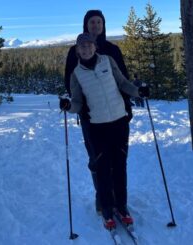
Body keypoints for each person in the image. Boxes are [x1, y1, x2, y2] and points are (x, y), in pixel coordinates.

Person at [60, 33, 149, 230]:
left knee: (119, 166)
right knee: (102, 169)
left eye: (89, 45)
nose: (86, 49)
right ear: (77, 51)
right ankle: (107, 208)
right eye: (82, 47)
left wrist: (138, 91)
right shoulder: (76, 74)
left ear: (95, 47)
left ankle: (121, 206)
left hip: (119, 122)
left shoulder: (107, 61)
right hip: (97, 127)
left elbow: (123, 83)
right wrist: (68, 106)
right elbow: (77, 103)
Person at [64, 10, 133, 214]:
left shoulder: (112, 50)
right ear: (86, 25)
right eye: (92, 22)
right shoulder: (73, 52)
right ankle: (102, 197)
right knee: (97, 158)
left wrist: (127, 105)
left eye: (99, 22)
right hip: (90, 116)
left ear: (103, 25)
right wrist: (80, 107)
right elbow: (70, 82)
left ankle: (118, 199)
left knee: (119, 159)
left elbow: (123, 80)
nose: (95, 25)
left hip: (117, 114)